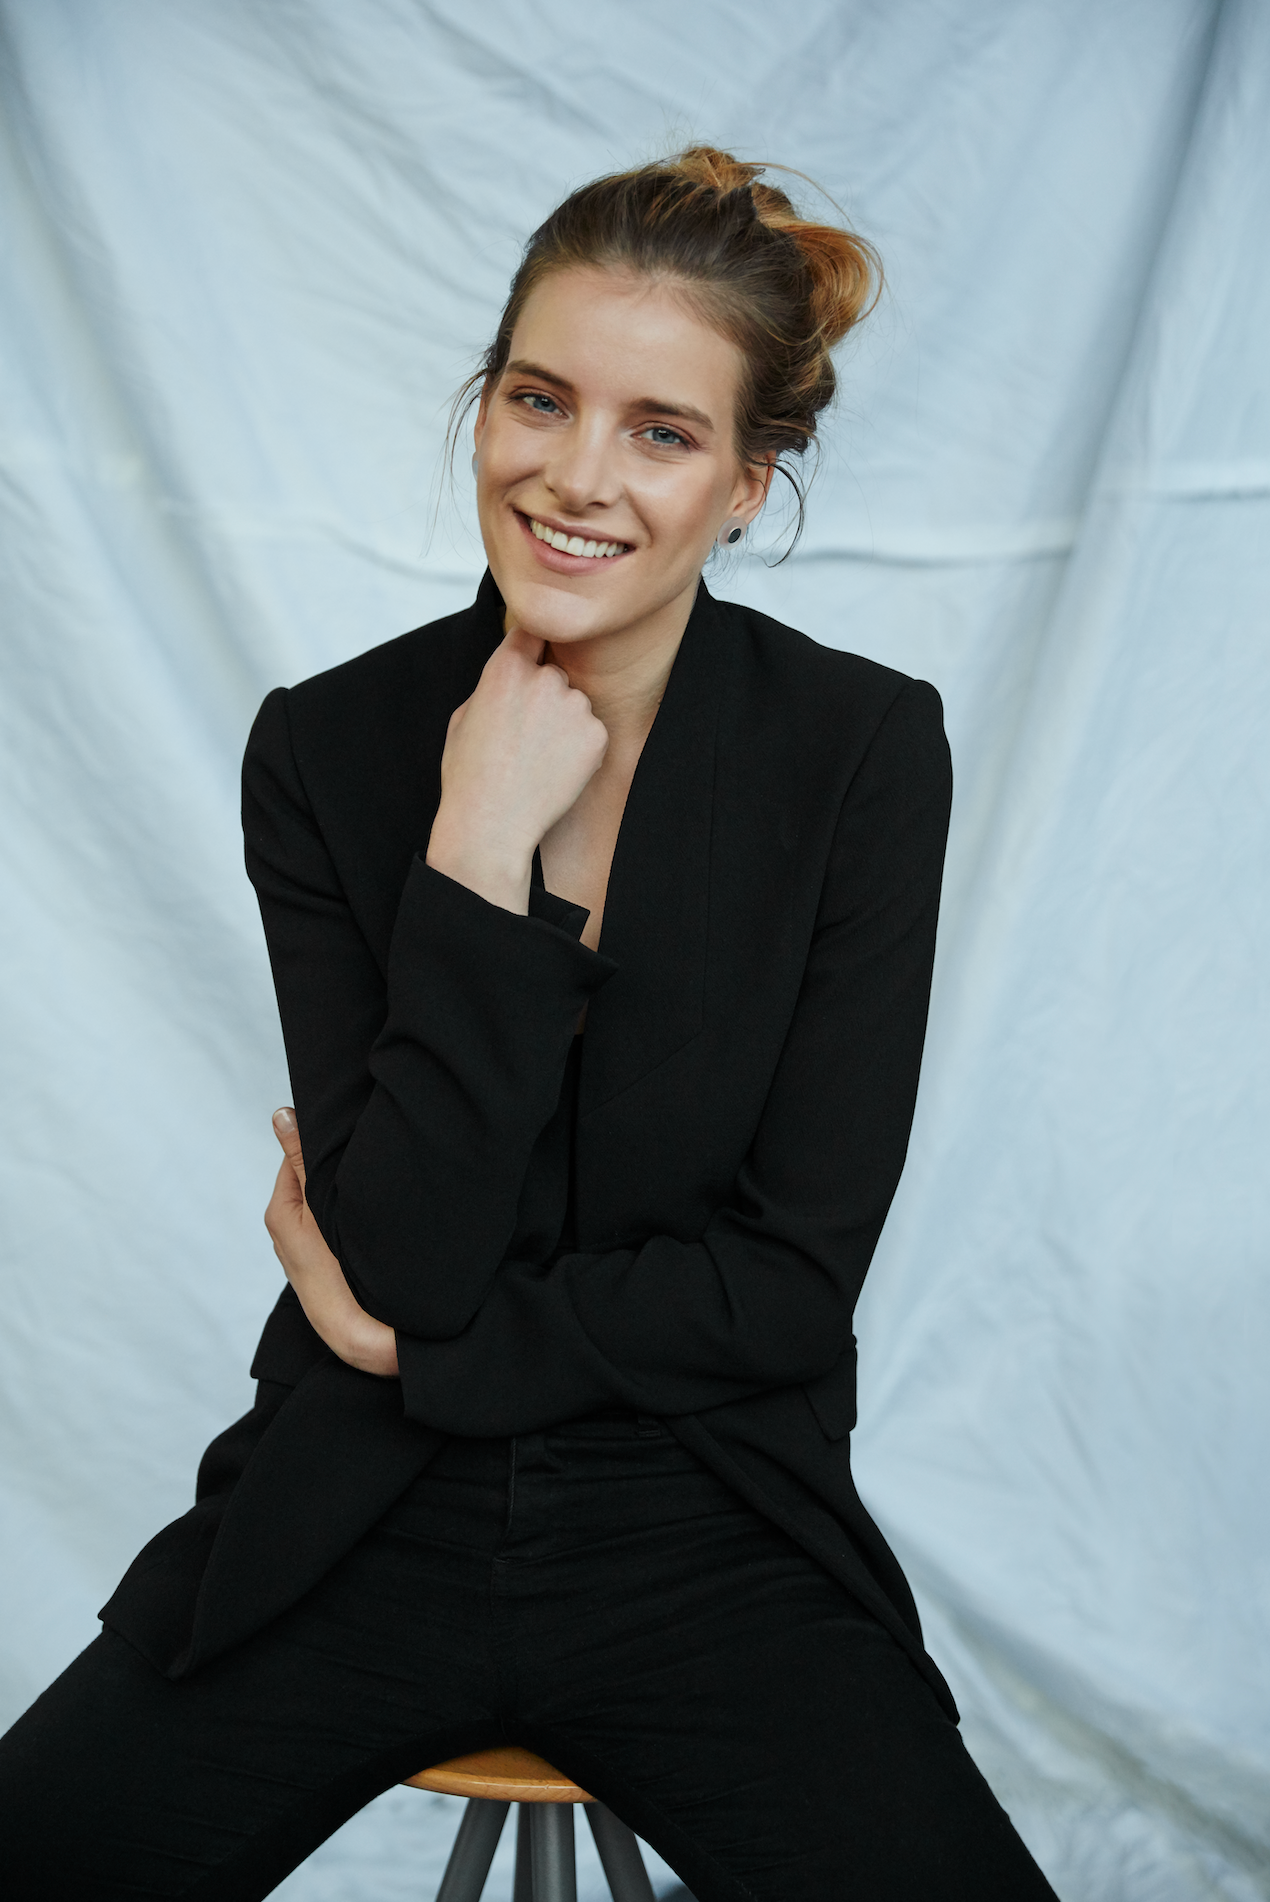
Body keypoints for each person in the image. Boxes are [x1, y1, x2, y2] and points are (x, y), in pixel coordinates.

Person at [0, 147, 1057, 1900]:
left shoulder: (859, 753)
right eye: (538, 398)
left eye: (662, 431)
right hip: (354, 1508)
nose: (574, 476)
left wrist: (419, 1350)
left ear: (746, 483)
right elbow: (406, 1251)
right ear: (484, 401)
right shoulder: (327, 747)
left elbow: (784, 1284)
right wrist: (476, 849)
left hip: (707, 1521)